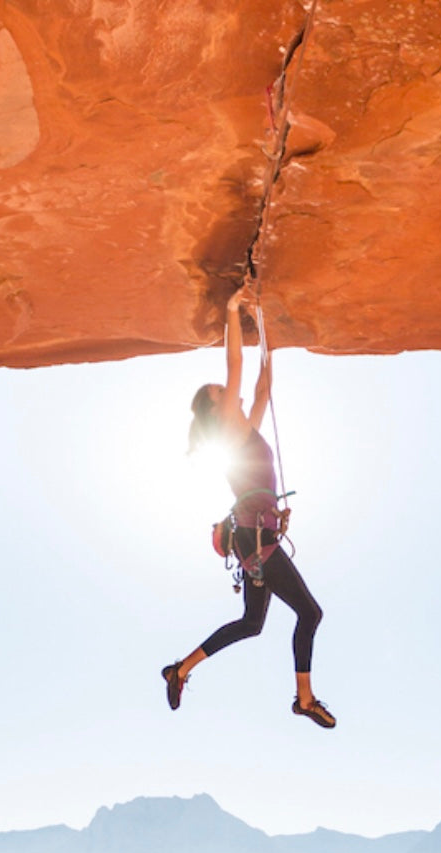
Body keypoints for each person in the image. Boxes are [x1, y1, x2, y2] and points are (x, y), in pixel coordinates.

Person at [161, 285, 335, 729]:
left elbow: (261, 392)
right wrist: (233, 308)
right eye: (221, 389)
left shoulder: (243, 430)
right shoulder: (229, 427)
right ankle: (304, 698)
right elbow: (235, 364)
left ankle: (180, 669)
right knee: (310, 614)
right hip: (257, 539)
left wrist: (268, 345)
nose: (228, 388)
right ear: (216, 407)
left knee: (253, 624)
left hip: (254, 538)